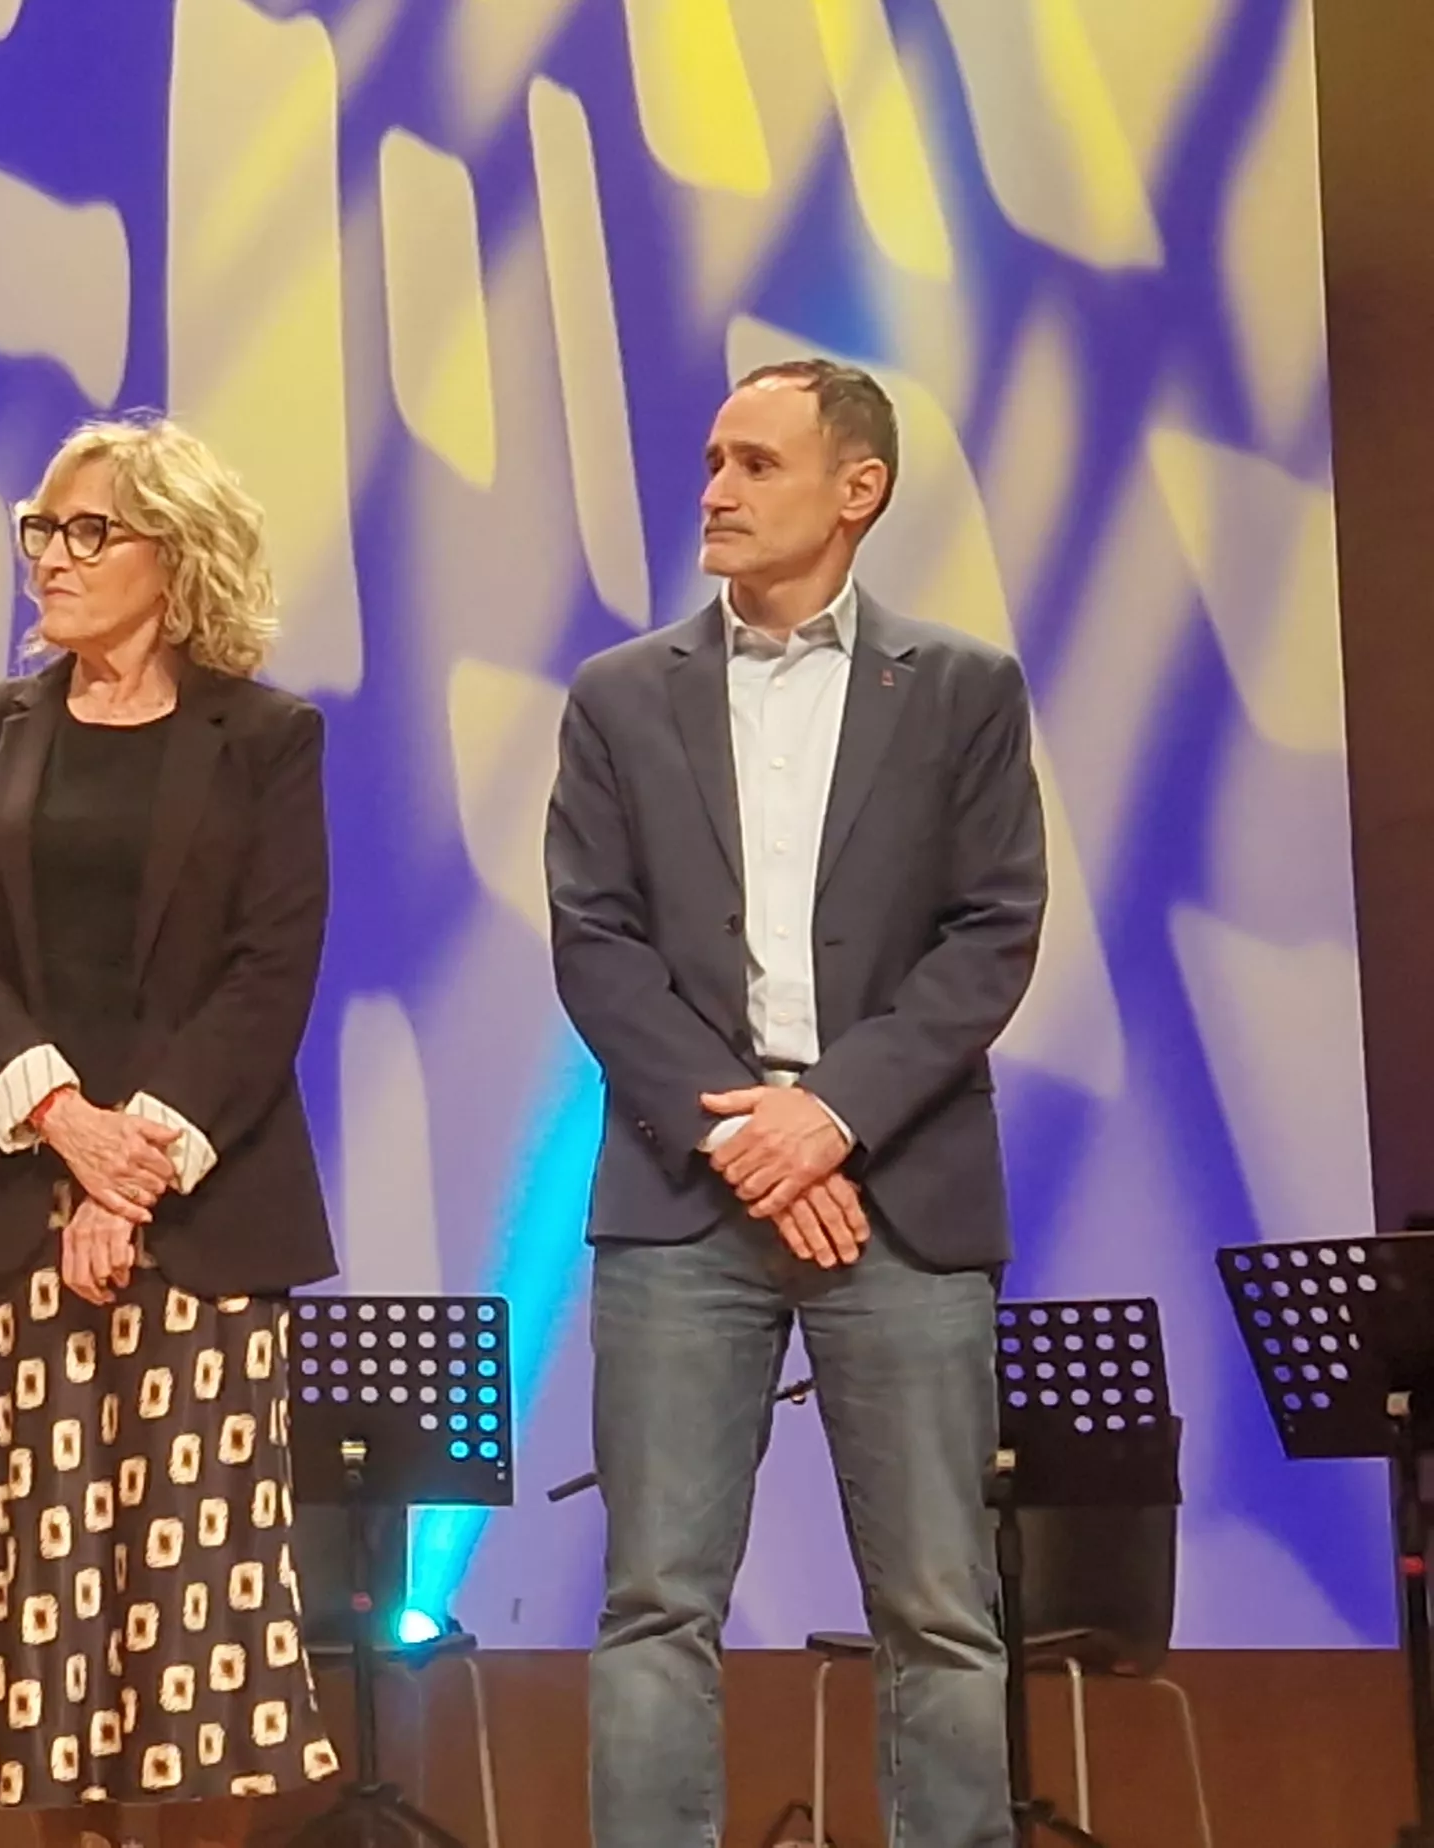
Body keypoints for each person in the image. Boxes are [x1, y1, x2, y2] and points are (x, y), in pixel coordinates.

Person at [548, 358, 1045, 1848]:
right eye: (711, 459)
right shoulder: (622, 696)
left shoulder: (959, 688)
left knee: (942, 1609)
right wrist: (740, 1132)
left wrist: (827, 1119)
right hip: (682, 1191)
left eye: (754, 463)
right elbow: (597, 940)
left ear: (857, 490)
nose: (714, 488)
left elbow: (991, 934)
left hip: (899, 1188)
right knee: (654, 1604)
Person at [0, 414, 342, 1827]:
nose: (55, 557)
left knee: (191, 1602)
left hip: (199, 1214)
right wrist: (66, 1134)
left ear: (178, 557)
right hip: (21, 1205)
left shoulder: (267, 739)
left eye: (90, 532)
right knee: (40, 1588)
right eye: (43, 530)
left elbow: (267, 969)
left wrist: (130, 1169)